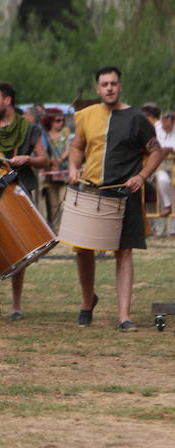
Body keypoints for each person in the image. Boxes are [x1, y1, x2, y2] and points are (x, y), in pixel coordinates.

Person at [67, 67, 165, 331]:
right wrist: (74, 167)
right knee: (84, 249)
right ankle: (87, 303)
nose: (109, 88)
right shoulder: (86, 115)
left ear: (120, 87)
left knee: (123, 252)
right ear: (97, 89)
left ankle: (124, 316)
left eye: (113, 83)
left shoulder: (137, 119)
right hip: (92, 191)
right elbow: (77, 146)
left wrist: (142, 176)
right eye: (104, 84)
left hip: (125, 193)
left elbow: (156, 152)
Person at [0, 81, 49, 320]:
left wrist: (27, 158)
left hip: (19, 188)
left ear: (8, 101)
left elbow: (45, 160)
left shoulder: (28, 127)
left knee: (21, 247)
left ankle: (16, 305)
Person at [41, 108, 71, 231]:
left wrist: (59, 160)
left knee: (64, 202)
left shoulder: (65, 133)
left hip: (64, 172)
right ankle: (56, 229)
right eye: (58, 120)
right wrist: (51, 162)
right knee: (53, 204)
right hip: (50, 172)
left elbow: (69, 148)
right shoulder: (45, 135)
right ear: (50, 121)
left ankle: (66, 229)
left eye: (63, 120)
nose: (61, 123)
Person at [154, 112, 174, 222]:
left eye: (169, 126)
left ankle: (173, 231)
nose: (165, 128)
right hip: (160, 165)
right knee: (163, 180)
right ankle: (167, 206)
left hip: (172, 164)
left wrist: (171, 149)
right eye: (163, 124)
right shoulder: (156, 127)